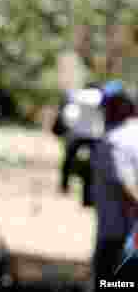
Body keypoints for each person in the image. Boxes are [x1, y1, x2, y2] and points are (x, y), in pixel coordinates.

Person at [90, 80, 138, 286]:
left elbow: (127, 188)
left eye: (110, 106)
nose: (105, 111)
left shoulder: (112, 142)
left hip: (118, 236)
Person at [57, 84, 104, 203]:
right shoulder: (101, 96)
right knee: (97, 164)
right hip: (95, 136)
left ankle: (64, 184)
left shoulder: (78, 95)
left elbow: (68, 115)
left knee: (68, 159)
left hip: (77, 135)